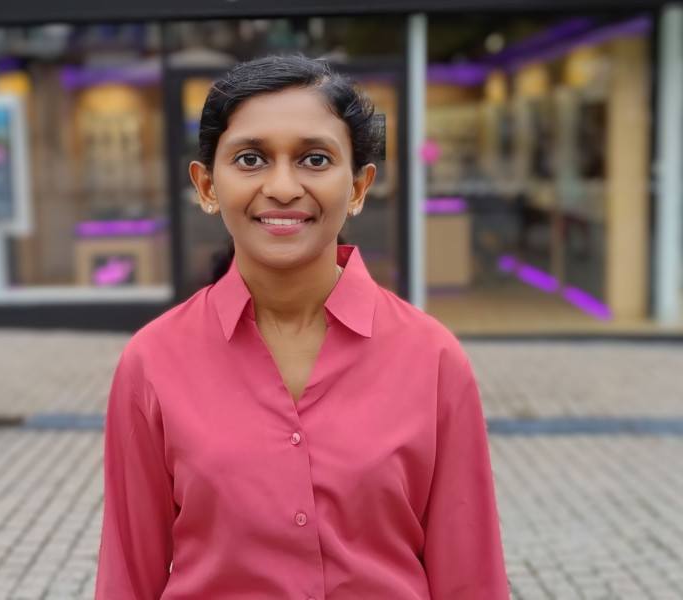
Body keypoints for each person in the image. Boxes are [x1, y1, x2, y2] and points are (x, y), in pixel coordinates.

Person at [94, 54, 509, 599]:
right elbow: (128, 574)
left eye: (315, 159)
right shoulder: (152, 362)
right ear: (207, 185)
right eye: (250, 159)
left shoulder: (432, 358)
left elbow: (471, 577)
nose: (284, 187)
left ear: (359, 187)